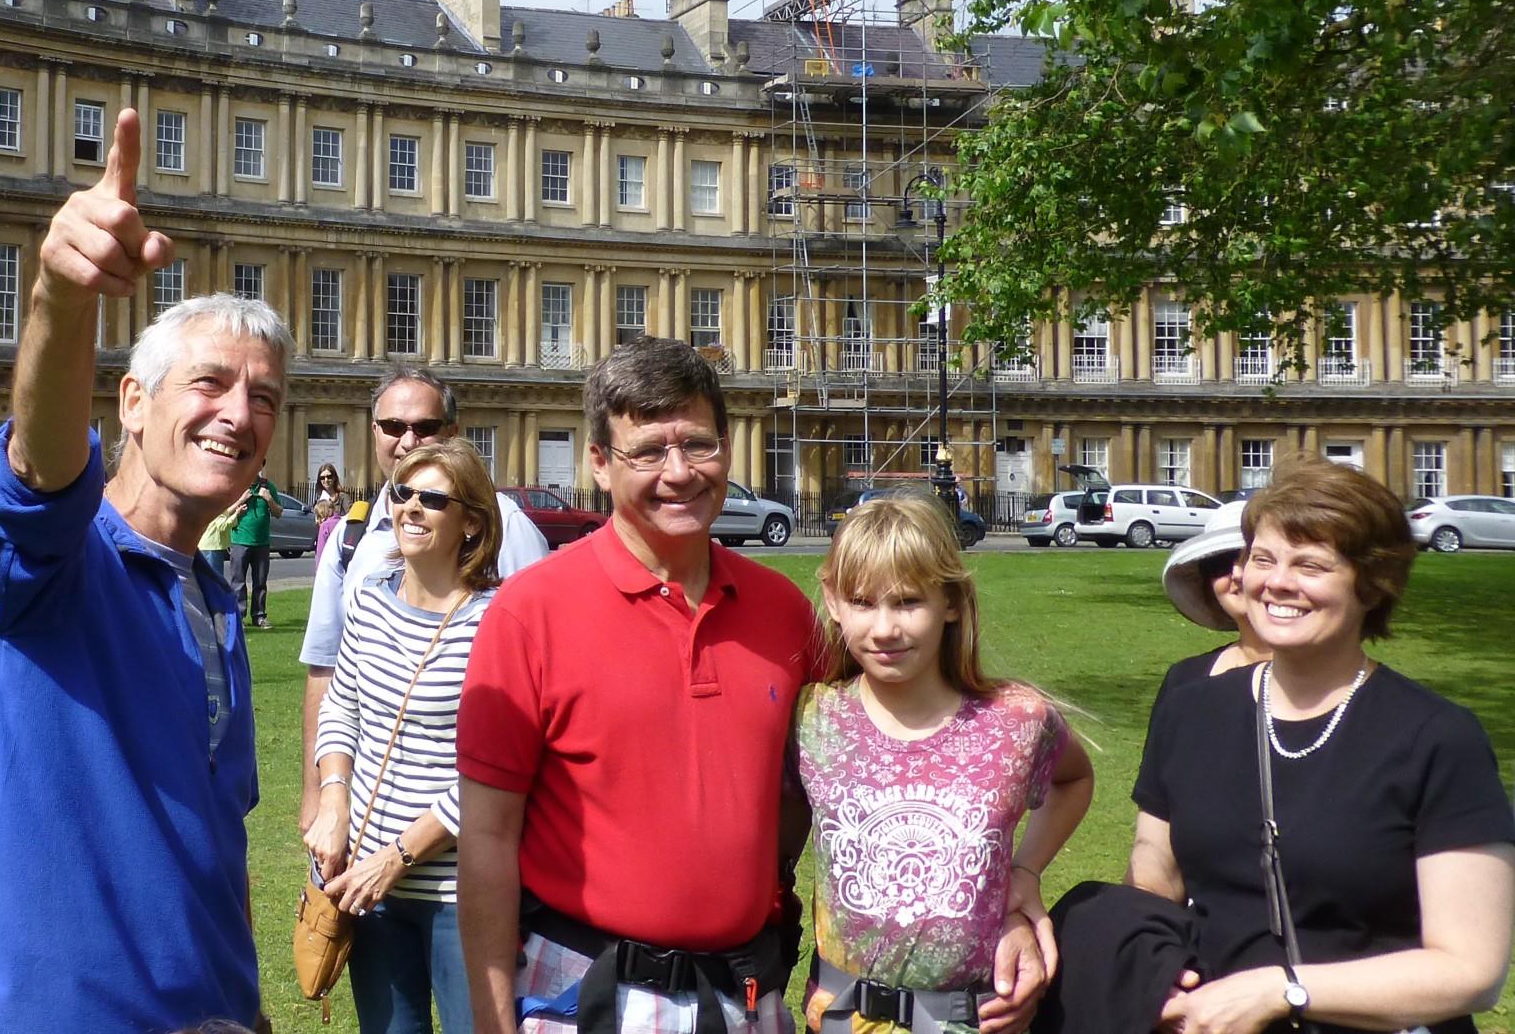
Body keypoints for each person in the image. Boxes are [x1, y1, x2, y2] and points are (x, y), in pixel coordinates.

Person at [0, 109, 285, 1033]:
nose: (239, 414)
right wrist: (63, 297)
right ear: (132, 404)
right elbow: (40, 470)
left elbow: (217, 842)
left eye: (264, 397)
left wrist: (247, 1005)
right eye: (210, 383)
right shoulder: (52, 566)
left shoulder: (212, 602)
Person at [456, 337, 827, 1034]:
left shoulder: (783, 612)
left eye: (699, 444)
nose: (680, 472)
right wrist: (492, 1020)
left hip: (741, 991)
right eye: (649, 450)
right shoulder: (531, 612)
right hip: (585, 989)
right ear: (599, 461)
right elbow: (486, 838)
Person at [1129, 456, 1514, 1034]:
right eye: (1262, 558)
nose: (1277, 582)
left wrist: (1283, 991)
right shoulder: (1191, 710)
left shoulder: (1436, 738)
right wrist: (1157, 966)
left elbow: (1470, 970)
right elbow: (1155, 863)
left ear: (1371, 583)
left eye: (1310, 564)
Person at [793, 495, 1093, 1034]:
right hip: (839, 1020)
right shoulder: (812, 719)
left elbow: (1074, 777)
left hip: (973, 1020)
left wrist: (1025, 871)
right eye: (862, 601)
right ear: (833, 601)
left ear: (951, 601)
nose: (884, 629)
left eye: (908, 602)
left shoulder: (1018, 721)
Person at [306, 438, 503, 1033]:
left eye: (433, 499)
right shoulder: (368, 600)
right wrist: (334, 798)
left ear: (471, 522)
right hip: (367, 885)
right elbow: (342, 708)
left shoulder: (497, 623)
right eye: (403, 493)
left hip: (456, 888)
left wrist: (400, 856)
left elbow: (495, 771)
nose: (411, 508)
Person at [298, 366, 548, 830]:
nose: (408, 441)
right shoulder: (351, 534)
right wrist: (317, 795)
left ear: (453, 432)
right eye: (393, 427)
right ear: (374, 432)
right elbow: (326, 671)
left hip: (465, 834)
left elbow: (538, 685)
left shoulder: (507, 527)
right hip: (362, 825)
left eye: (425, 428)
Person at [1153, 499, 1271, 707]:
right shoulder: (1183, 681)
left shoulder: (1332, 682)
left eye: (1256, 559)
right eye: (1220, 564)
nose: (1237, 574)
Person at [229, 462, 282, 629]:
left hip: (262, 543)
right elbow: (225, 511)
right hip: (239, 541)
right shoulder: (237, 485)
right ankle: (239, 616)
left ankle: (259, 616)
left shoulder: (268, 487)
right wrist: (241, 500)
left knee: (260, 581)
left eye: (258, 463)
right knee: (238, 581)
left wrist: (269, 499)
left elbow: (278, 512)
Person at [199, 499, 241, 582]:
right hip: (213, 547)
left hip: (205, 545)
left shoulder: (208, 504)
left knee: (206, 577)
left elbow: (225, 514)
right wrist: (236, 514)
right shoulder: (217, 506)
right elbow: (222, 526)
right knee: (215, 578)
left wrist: (240, 503)